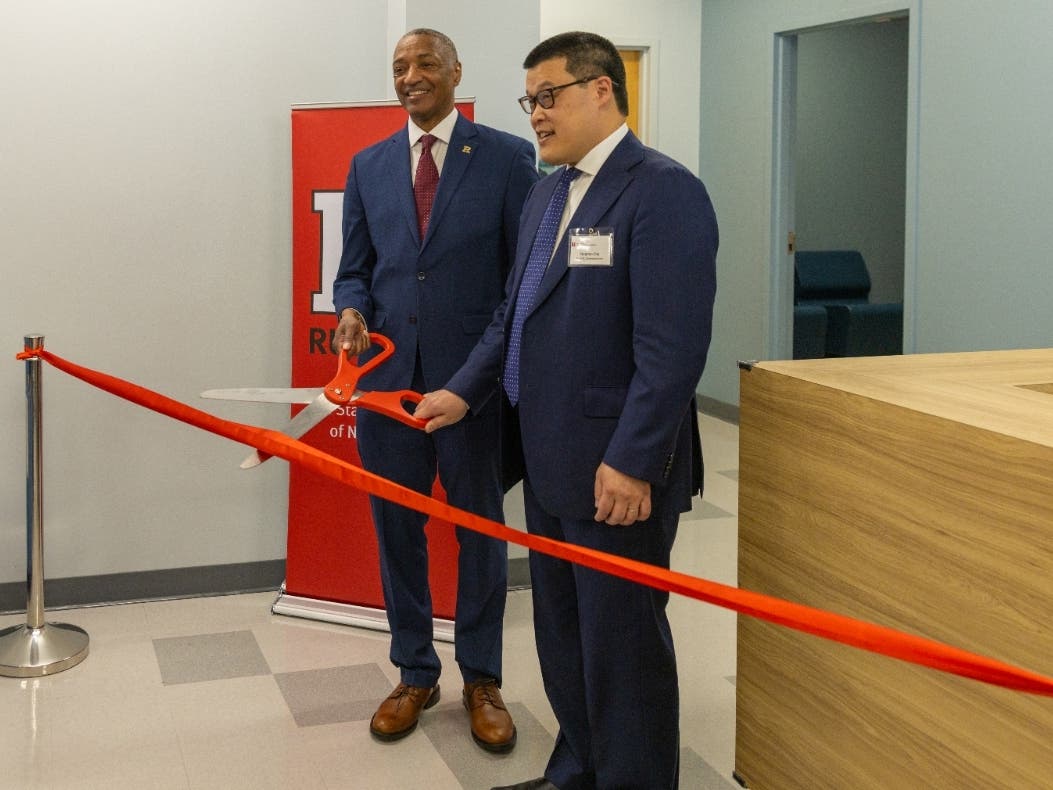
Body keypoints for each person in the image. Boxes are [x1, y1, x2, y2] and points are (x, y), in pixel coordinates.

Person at [416, 31, 718, 790]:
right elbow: (510, 317)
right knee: (563, 635)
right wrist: (463, 389)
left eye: (548, 97)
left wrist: (632, 459)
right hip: (549, 463)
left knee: (622, 650)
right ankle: (577, 769)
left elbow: (672, 349)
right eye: (530, 101)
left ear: (601, 91)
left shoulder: (661, 190)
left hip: (617, 473)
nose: (536, 116)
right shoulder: (548, 190)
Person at [332, 28, 538, 752]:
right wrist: (351, 312)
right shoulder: (369, 165)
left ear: (455, 71)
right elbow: (354, 267)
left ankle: (482, 677)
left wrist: (475, 380)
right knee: (397, 534)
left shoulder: (511, 159)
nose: (410, 77)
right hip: (389, 389)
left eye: (423, 64)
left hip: (472, 389)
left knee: (479, 533)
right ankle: (415, 672)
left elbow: (521, 288)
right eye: (398, 67)